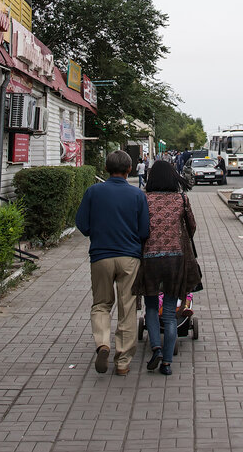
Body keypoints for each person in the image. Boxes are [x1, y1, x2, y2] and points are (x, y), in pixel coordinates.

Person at [75, 150, 150, 375]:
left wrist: (96, 234)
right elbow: (144, 230)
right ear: (129, 169)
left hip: (101, 257)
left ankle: (103, 344)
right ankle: (123, 362)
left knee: (101, 304)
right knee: (127, 308)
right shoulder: (137, 195)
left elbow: (82, 223)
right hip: (129, 258)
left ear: (106, 169)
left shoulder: (93, 192)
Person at [135, 161, 202, 376]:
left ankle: (155, 348)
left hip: (150, 259)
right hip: (176, 259)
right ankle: (167, 363)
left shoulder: (143, 199)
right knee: (171, 313)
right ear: (173, 177)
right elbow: (191, 227)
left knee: (152, 308)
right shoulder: (181, 199)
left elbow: (139, 228)